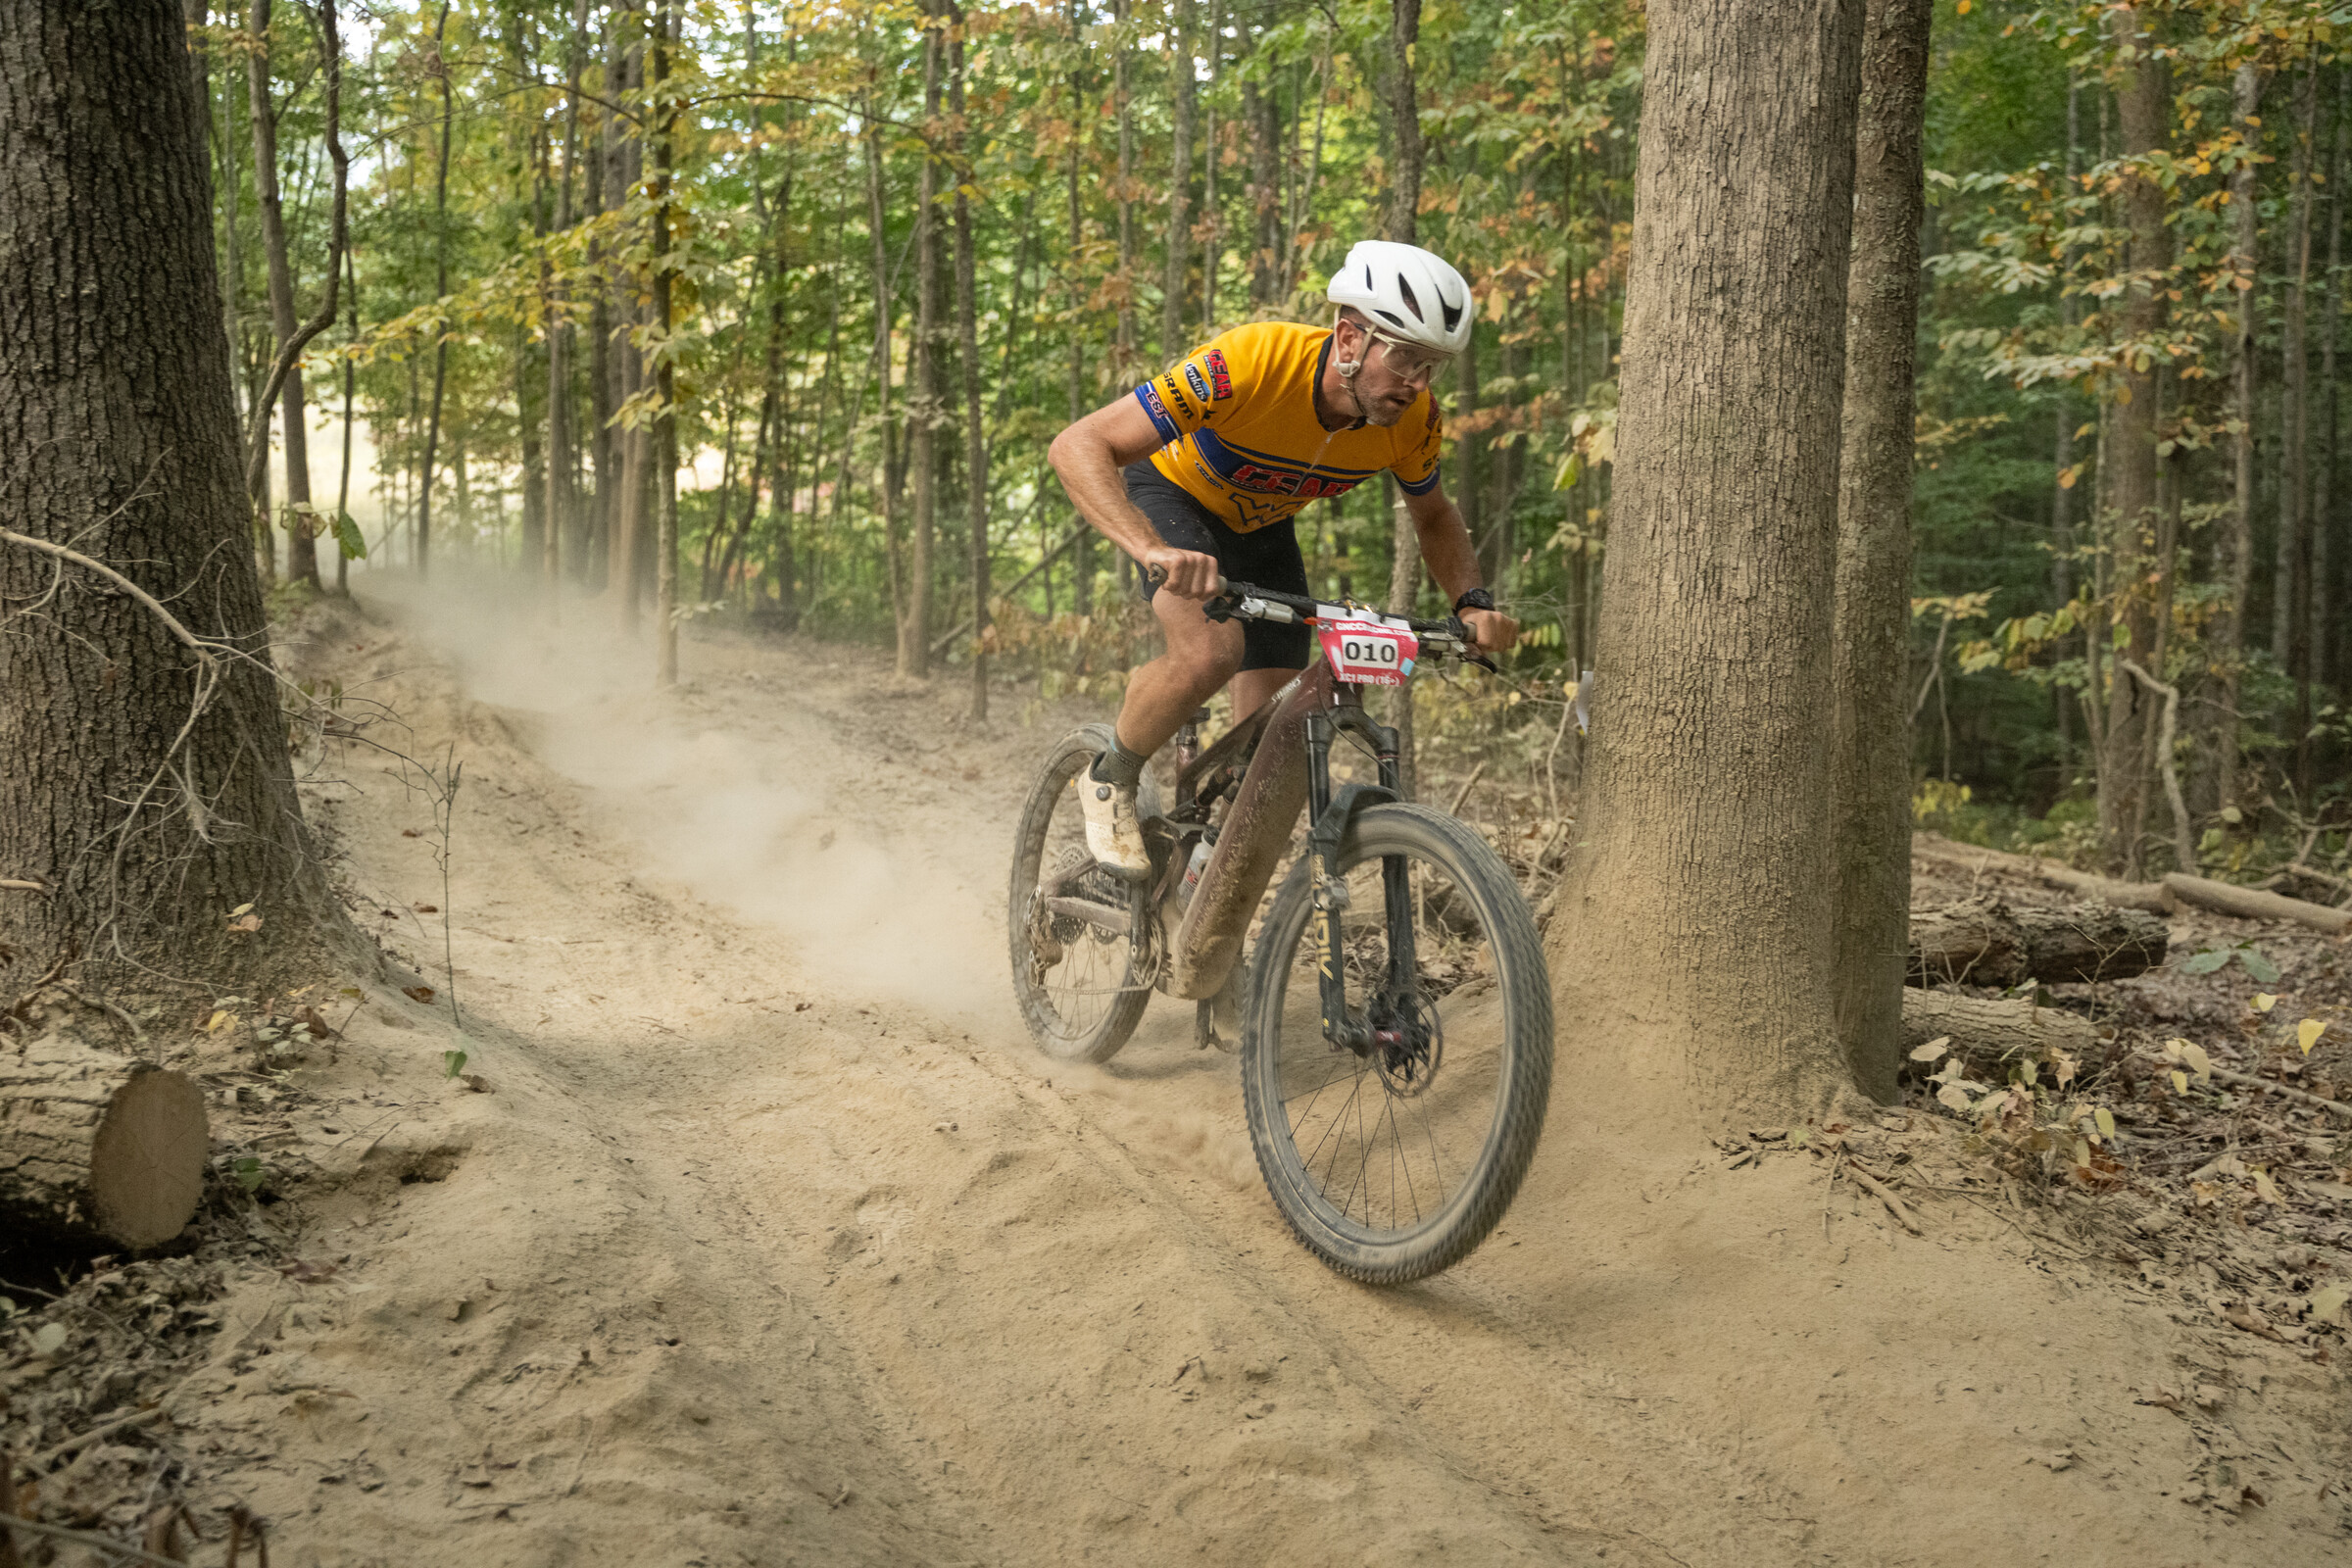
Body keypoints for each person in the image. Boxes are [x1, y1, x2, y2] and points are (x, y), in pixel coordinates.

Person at [1047, 239, 1520, 879]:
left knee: (1273, 740)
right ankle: (1111, 777)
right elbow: (1080, 444)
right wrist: (1150, 547)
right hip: (1173, 499)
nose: (1417, 384)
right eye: (1405, 357)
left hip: (1262, 527)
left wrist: (1473, 602)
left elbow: (1433, 514)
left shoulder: (1413, 421)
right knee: (1211, 653)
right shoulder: (1249, 363)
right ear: (1349, 339)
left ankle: (1200, 884)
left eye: (1432, 366)